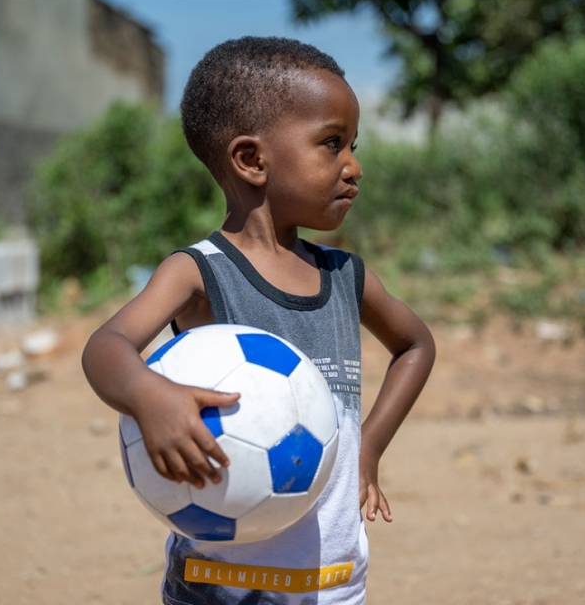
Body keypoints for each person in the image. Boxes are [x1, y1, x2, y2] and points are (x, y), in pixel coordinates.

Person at [82, 36, 435, 605]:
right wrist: (149, 396)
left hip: (335, 585)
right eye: (332, 143)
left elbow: (415, 344)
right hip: (219, 590)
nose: (354, 165)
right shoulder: (200, 272)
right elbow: (107, 346)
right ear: (251, 160)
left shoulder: (346, 275)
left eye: (352, 144)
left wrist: (367, 447)